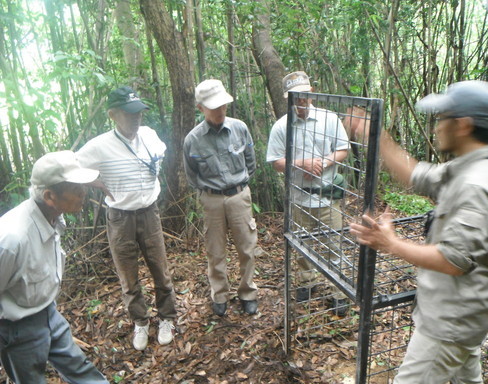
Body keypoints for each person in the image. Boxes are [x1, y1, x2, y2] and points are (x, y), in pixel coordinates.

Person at [349, 81, 488, 384]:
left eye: (442, 118)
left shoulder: (477, 183)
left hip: (453, 319)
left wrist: (390, 243)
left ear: (463, 125)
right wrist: (378, 138)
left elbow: (453, 260)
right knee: (467, 377)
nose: (437, 125)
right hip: (465, 312)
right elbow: (417, 175)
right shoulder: (468, 167)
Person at [0, 151, 116, 384]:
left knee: (83, 372)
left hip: (48, 312)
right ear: (50, 196)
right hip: (17, 326)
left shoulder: (52, 216)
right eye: (75, 188)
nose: (83, 193)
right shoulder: (11, 239)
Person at [77, 86, 176, 351]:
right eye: (129, 114)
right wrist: (98, 183)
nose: (136, 118)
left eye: (139, 112)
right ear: (113, 115)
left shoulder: (149, 135)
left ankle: (167, 318)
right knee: (128, 275)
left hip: (149, 213)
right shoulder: (99, 145)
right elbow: (73, 167)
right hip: (120, 217)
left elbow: (160, 156)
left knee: (160, 269)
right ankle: (141, 322)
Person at [266, 71, 351, 316]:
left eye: (305, 94)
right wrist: (301, 163)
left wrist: (323, 163)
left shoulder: (329, 118)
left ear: (312, 93)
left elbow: (343, 149)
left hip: (326, 194)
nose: (302, 100)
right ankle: (307, 281)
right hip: (299, 196)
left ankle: (338, 291)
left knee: (334, 244)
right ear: (288, 98)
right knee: (302, 244)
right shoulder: (282, 126)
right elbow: (275, 161)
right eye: (296, 96)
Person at [183, 79, 258, 317]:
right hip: (211, 199)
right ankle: (220, 295)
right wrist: (211, 193)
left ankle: (247, 293)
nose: (220, 111)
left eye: (223, 105)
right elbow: (191, 175)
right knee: (215, 251)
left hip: (239, 196)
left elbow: (251, 161)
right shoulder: (192, 140)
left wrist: (240, 186)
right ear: (200, 108)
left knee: (247, 247)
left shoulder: (239, 128)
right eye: (213, 107)